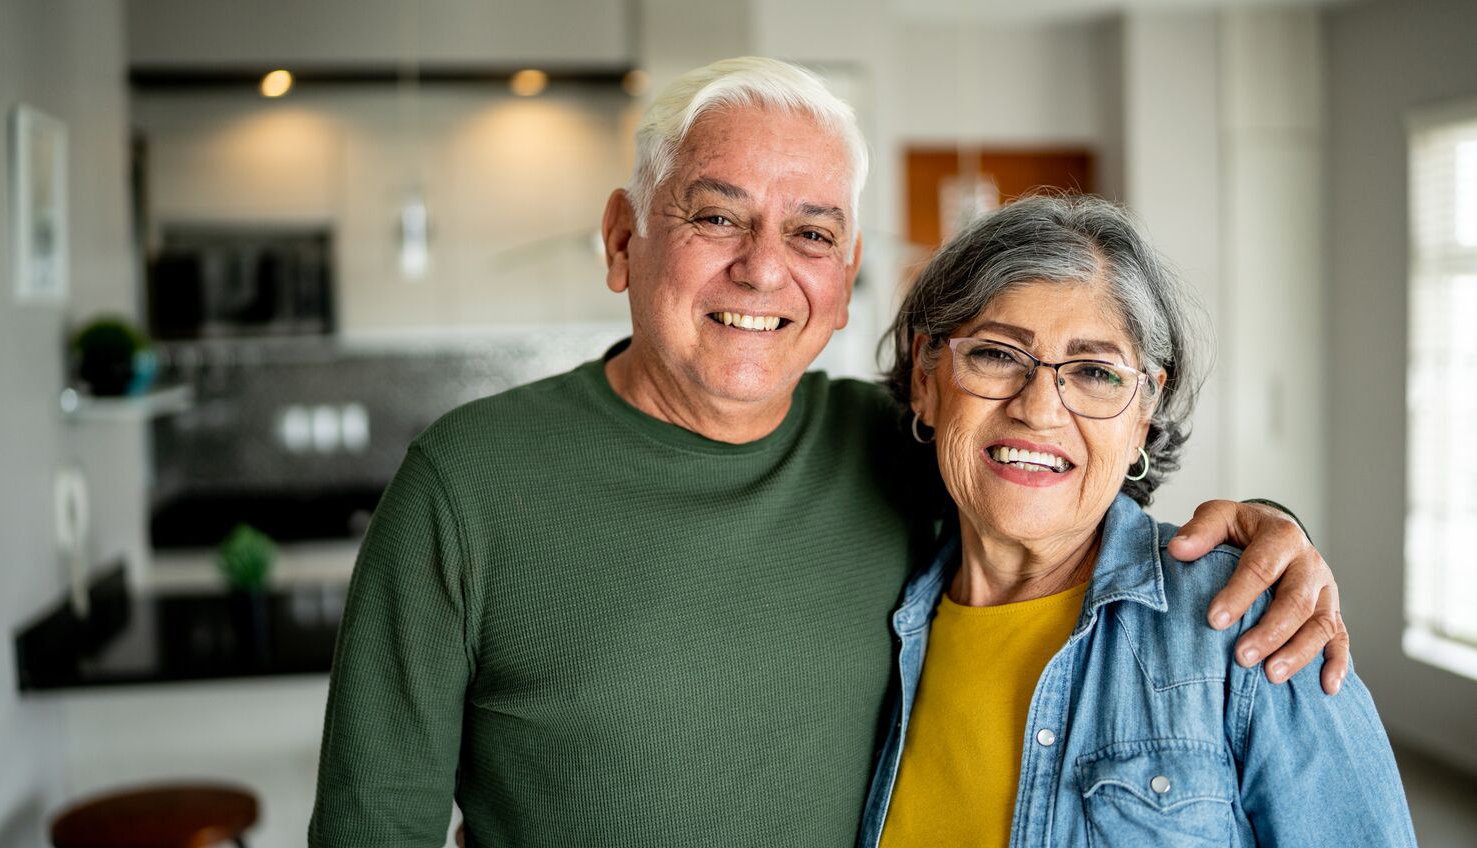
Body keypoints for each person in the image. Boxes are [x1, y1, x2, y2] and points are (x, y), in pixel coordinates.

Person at [309, 58, 1349, 848]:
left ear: (846, 273)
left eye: (809, 234)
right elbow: (369, 827)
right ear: (624, 237)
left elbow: (1053, 478)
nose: (762, 268)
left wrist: (1271, 528)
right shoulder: (465, 483)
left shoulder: (893, 446)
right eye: (715, 215)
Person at [859, 195, 1413, 847]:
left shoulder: (1250, 626)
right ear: (926, 375)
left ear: (1143, 413)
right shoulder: (881, 617)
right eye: (997, 355)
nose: (1039, 410)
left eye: (1095, 371)